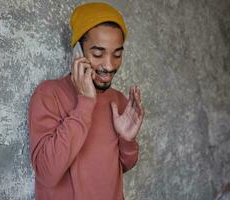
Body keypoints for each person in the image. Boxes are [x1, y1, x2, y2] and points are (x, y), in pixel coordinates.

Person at [28, 2, 145, 200]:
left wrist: (127, 141)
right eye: (98, 54)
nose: (109, 66)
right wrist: (85, 104)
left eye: (117, 55)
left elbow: (123, 166)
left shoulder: (117, 100)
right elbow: (47, 174)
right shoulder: (48, 94)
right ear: (78, 53)